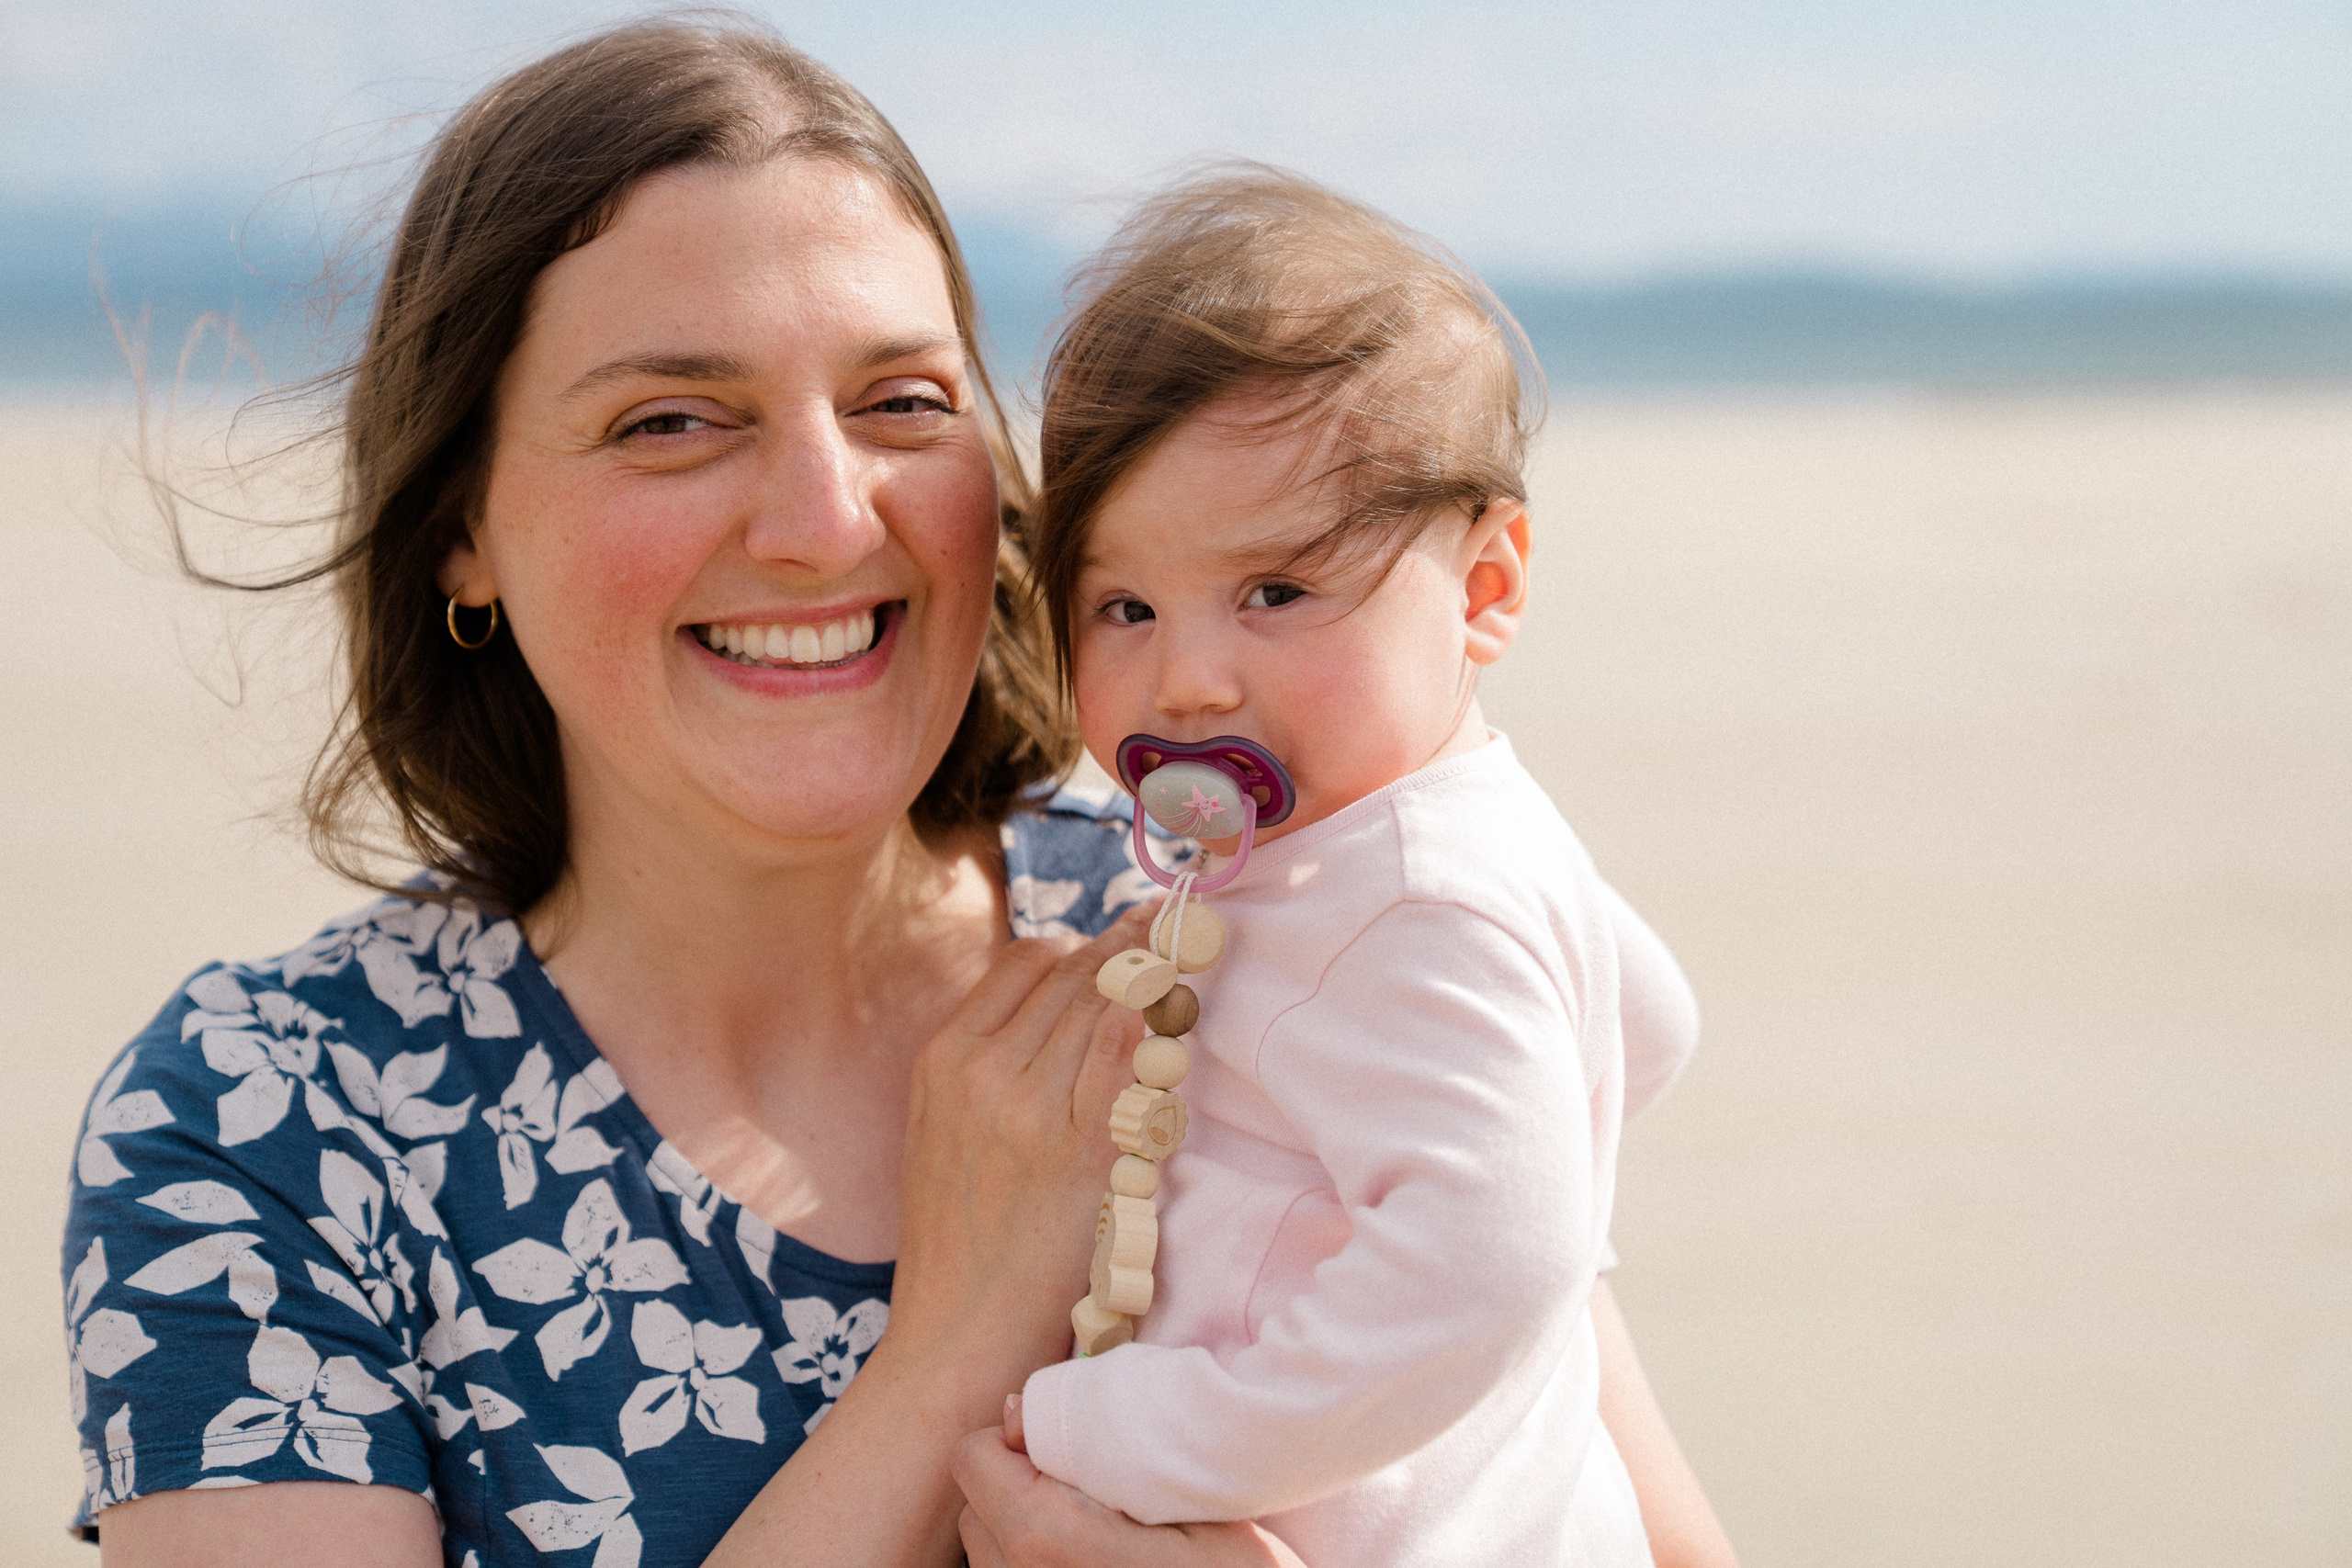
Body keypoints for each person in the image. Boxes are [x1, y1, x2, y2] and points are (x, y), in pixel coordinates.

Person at [62, 19, 1724, 1568]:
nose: (824, 516)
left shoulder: (1250, 918)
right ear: (463, 527)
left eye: (901, 404)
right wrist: (947, 1356)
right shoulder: (267, 1124)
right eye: (670, 418)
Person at [977, 169, 1736, 1566]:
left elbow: (1491, 1264)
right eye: (1126, 607)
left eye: (1277, 592)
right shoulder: (1456, 833)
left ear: (1487, 586)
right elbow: (1651, 1020)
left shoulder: (1410, 904)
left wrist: (1124, 1430)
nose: (1190, 679)